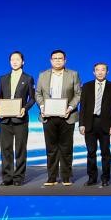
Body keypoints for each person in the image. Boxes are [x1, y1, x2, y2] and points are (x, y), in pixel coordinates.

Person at [35, 49, 81, 187]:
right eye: (55, 58)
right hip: (48, 116)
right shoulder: (43, 75)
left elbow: (78, 94)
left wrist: (70, 108)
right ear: (51, 60)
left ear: (65, 60)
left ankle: (66, 177)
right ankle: (52, 177)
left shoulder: (73, 74)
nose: (57, 61)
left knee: (66, 148)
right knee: (51, 149)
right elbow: (38, 93)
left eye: (60, 58)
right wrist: (42, 107)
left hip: (67, 115)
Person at [0, 51, 37, 186]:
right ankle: (7, 178)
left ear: (23, 62)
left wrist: (25, 109)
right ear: (9, 62)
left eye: (17, 59)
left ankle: (19, 177)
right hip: (5, 120)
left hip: (20, 119)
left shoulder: (28, 78)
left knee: (20, 149)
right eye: (12, 60)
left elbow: (32, 98)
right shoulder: (3, 78)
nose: (14, 62)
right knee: (6, 149)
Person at [80, 62, 111, 186]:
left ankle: (105, 178)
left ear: (107, 72)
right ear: (94, 72)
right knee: (91, 152)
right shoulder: (87, 86)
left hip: (105, 123)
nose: (100, 72)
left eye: (103, 70)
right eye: (97, 70)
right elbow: (83, 107)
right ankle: (92, 177)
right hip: (90, 123)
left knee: (105, 152)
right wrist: (81, 124)